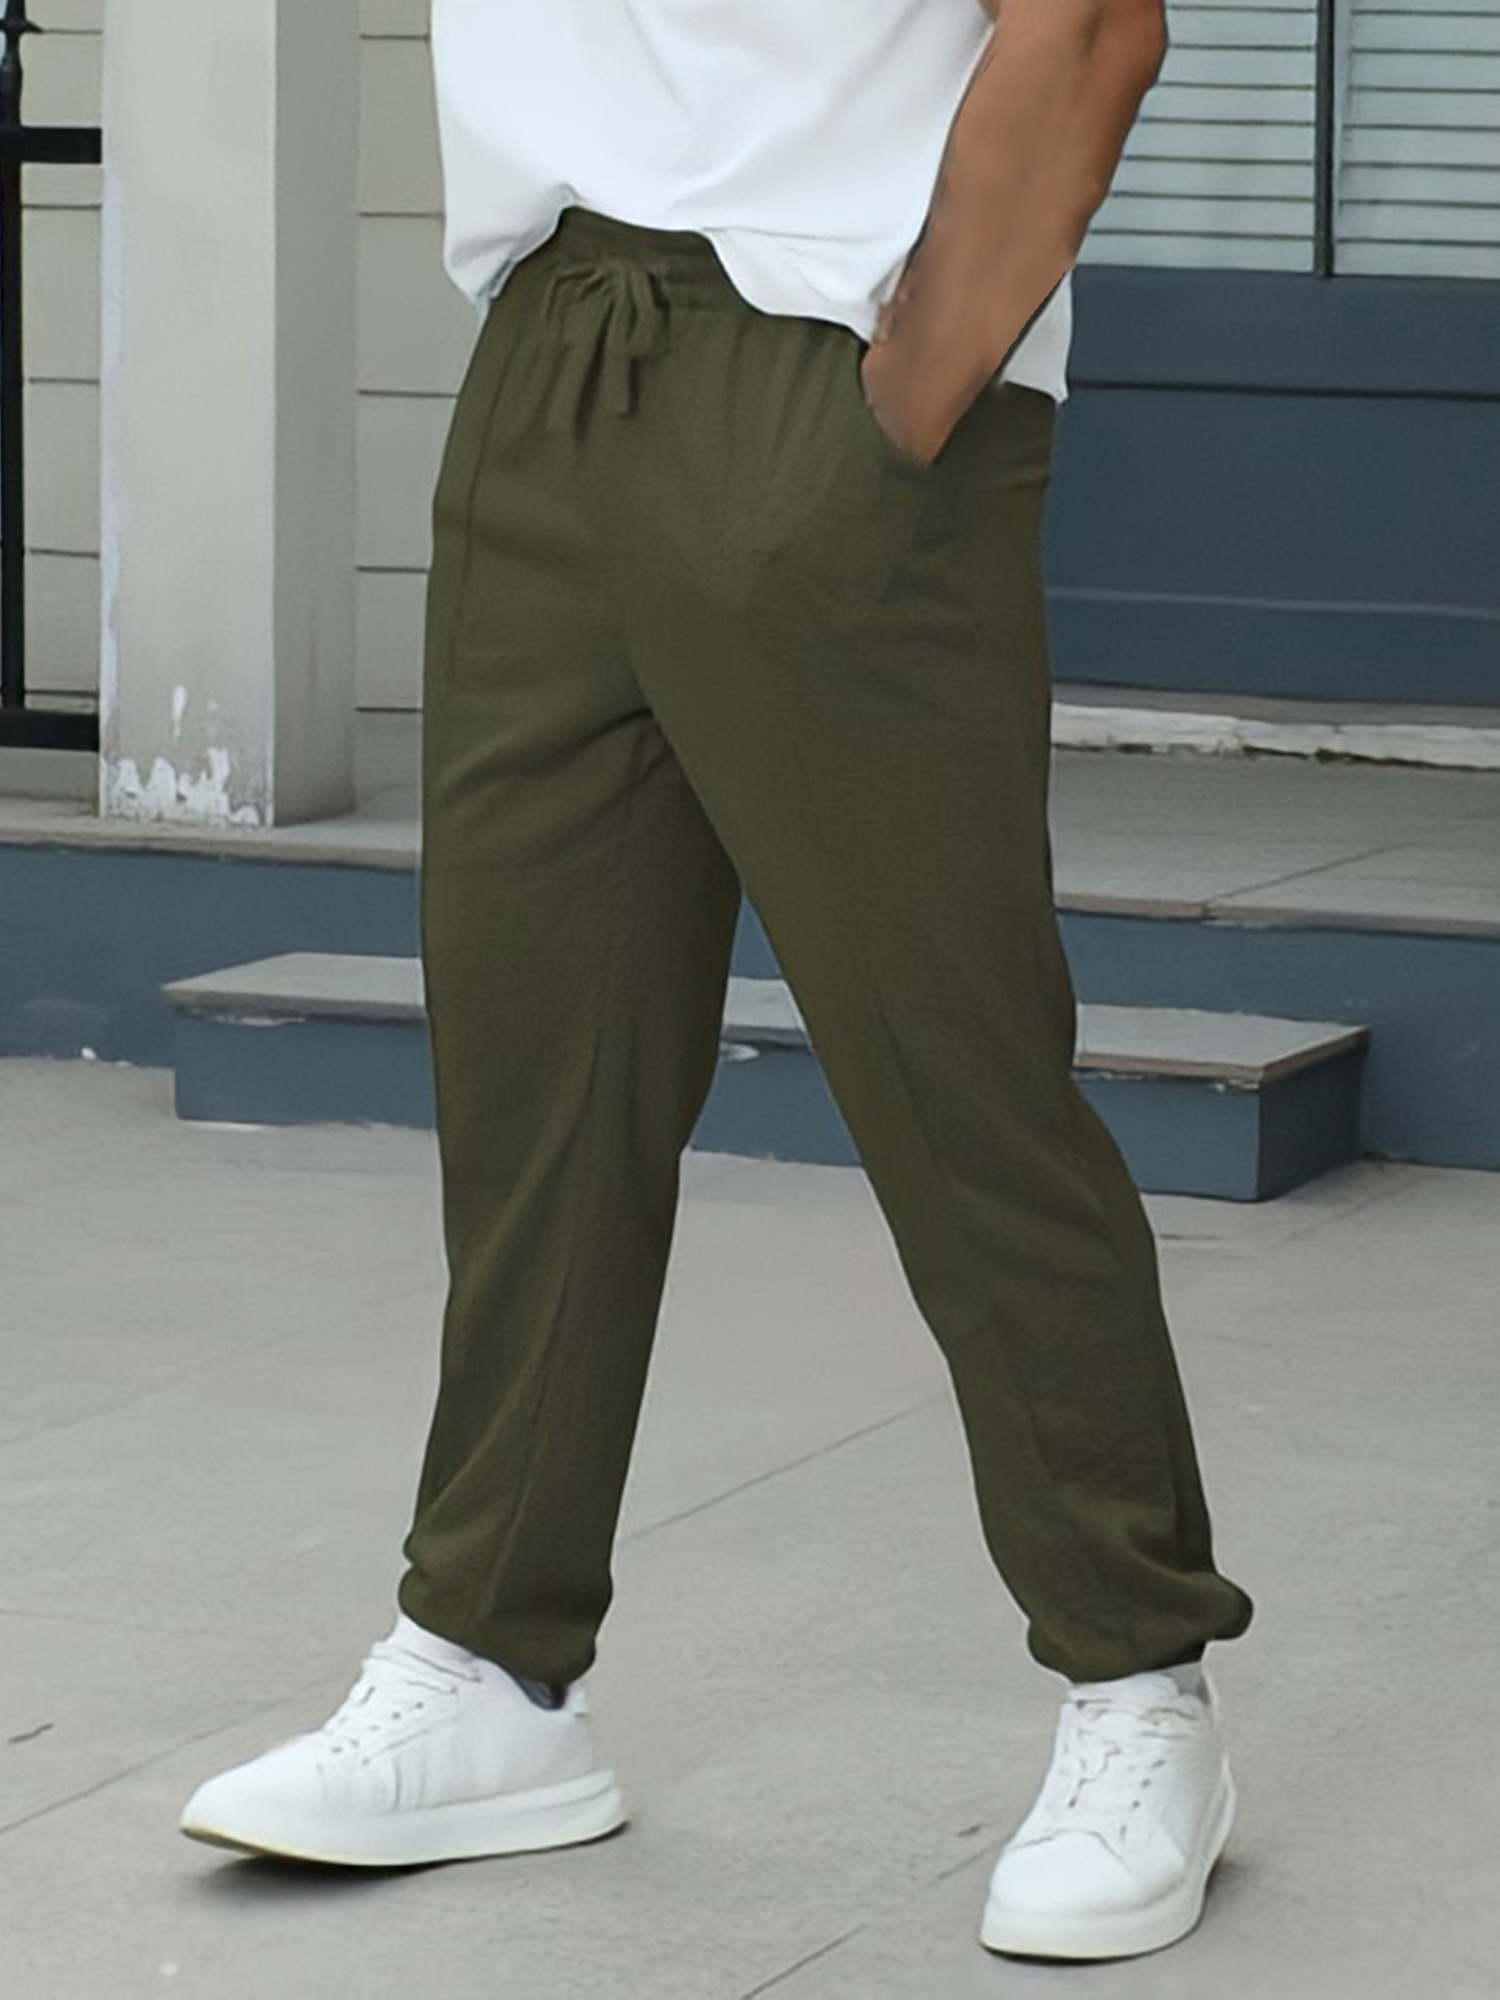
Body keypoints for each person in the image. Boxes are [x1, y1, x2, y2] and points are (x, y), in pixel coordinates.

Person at [180, 0, 1255, 1962]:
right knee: (538, 1071)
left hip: (827, 354)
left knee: (957, 1084)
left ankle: (1137, 1681)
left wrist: (900, 405)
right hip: (551, 349)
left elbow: (1091, 21)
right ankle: (492, 1662)